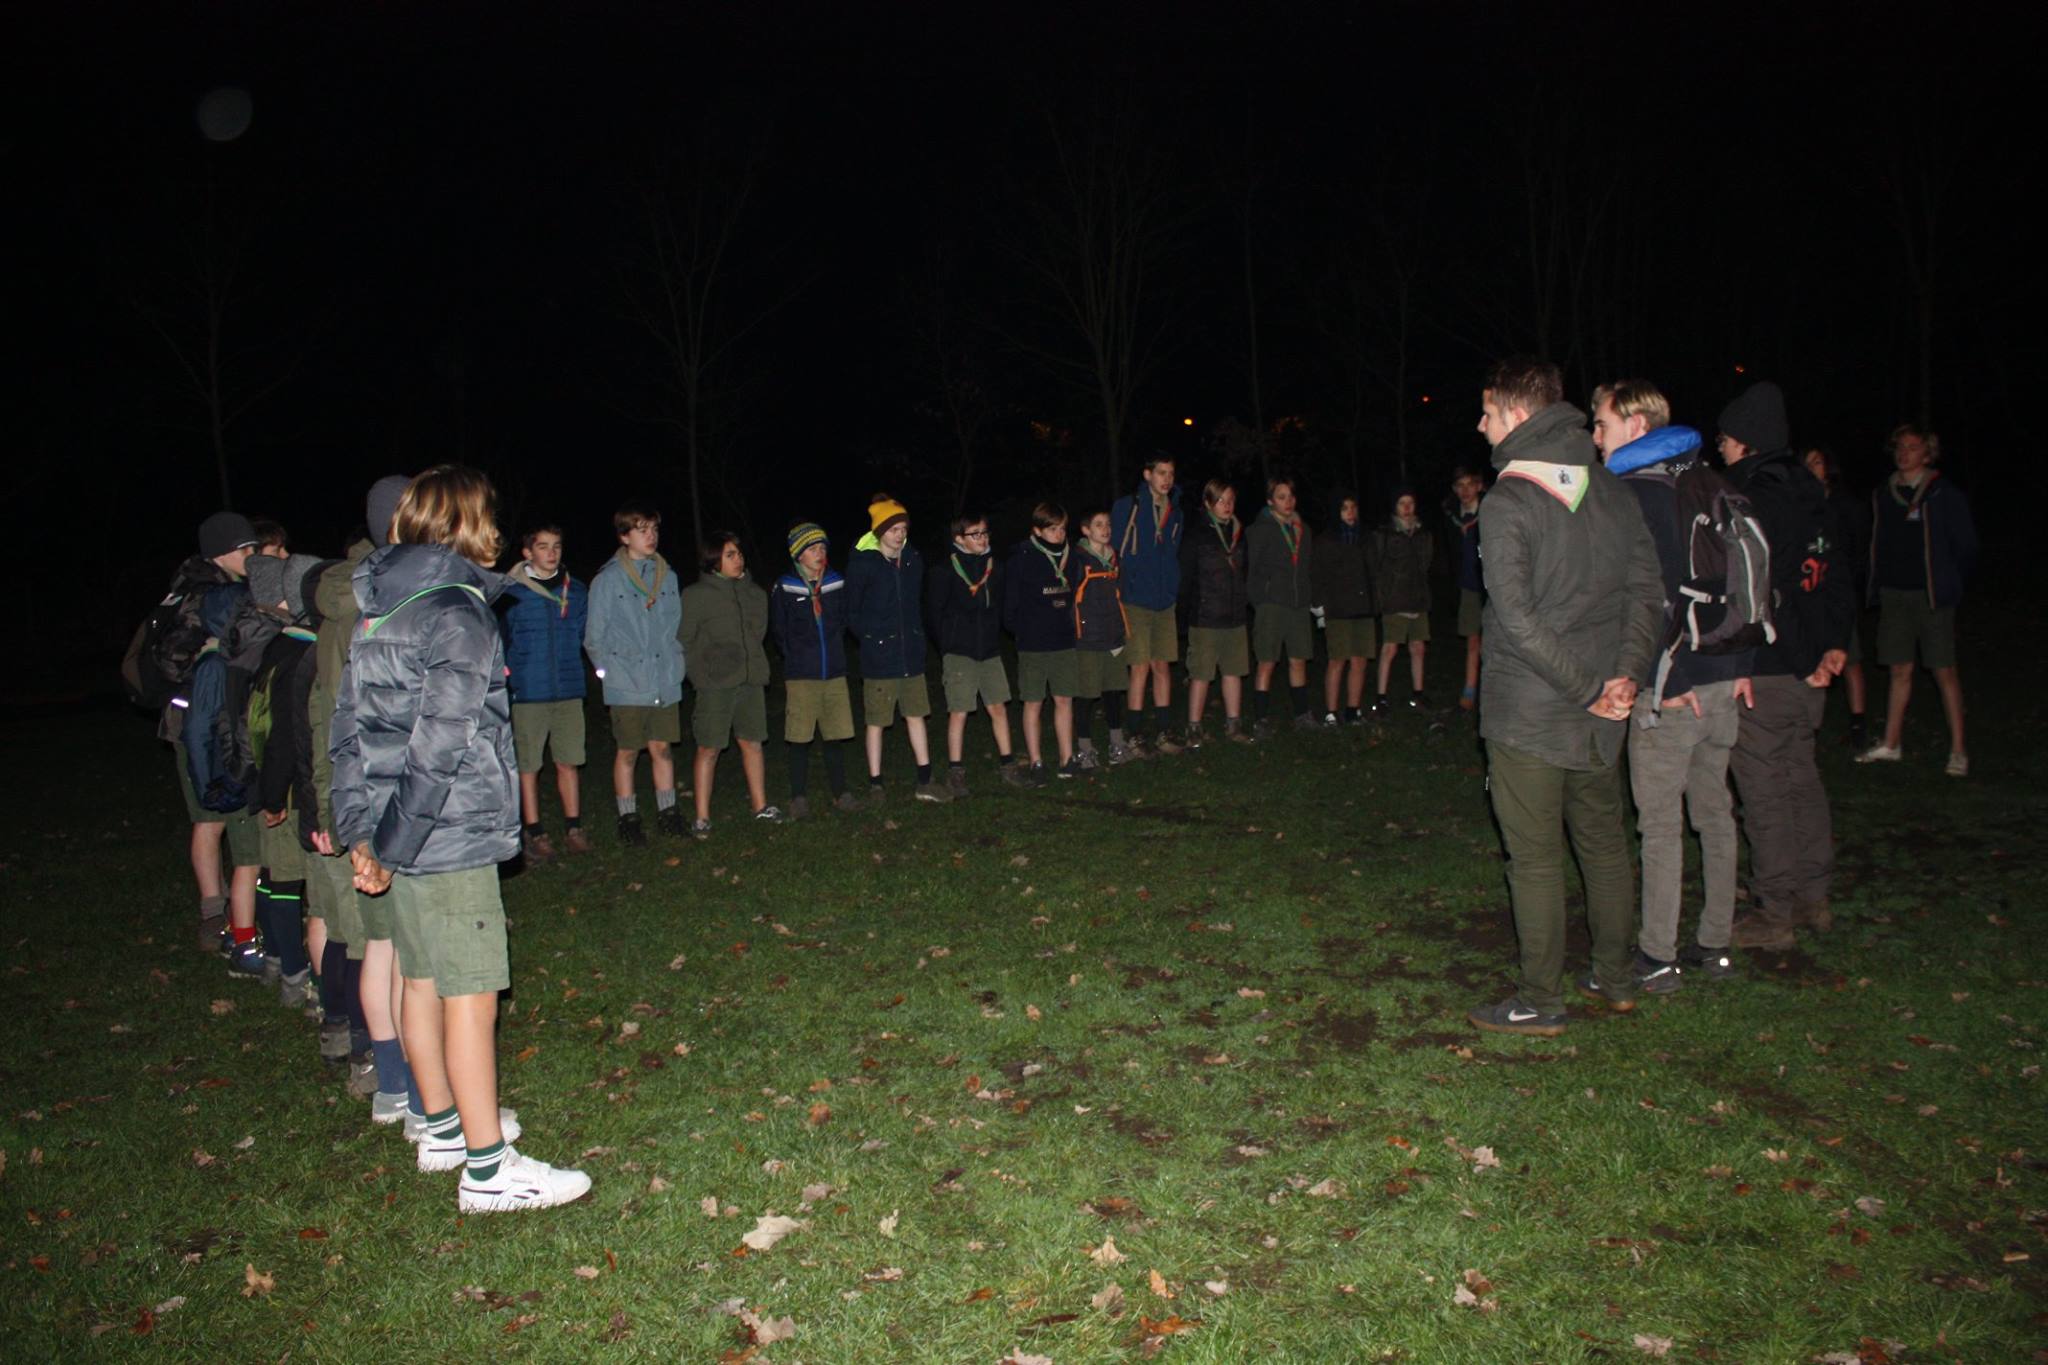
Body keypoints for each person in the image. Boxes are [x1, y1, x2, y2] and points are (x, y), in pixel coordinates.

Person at [330, 464, 589, 1212]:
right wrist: (396, 843)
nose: (500, 532)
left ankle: (440, 1122)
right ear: (461, 522)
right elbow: (439, 745)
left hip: (396, 832)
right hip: (442, 833)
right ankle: (488, 1166)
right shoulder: (456, 612)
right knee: (473, 992)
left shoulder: (383, 606)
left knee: (420, 977)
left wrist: (364, 838)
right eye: (489, 516)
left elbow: (348, 734)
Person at [1467, 358, 1664, 1037]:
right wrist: (1624, 677)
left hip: (1534, 712)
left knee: (1537, 855)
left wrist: (1591, 689)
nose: (1481, 424)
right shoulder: (1611, 490)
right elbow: (1647, 594)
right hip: (1603, 706)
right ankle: (1615, 978)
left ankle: (1540, 997)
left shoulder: (1508, 499)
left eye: (1488, 412)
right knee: (1605, 842)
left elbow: (1515, 617)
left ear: (1518, 417)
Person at [1591, 380, 1752, 993]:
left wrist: (1672, 673)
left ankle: (1657, 955)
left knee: (1659, 822)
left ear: (1636, 425)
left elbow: (1650, 597)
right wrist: (1739, 666)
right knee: (1715, 811)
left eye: (1601, 423)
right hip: (1725, 678)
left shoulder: (1639, 491)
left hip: (1674, 681)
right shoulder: (1708, 479)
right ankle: (1715, 943)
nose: (1595, 436)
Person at [1716, 381, 1854, 951]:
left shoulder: (1754, 495)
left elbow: (1763, 588)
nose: (1720, 450)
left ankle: (1775, 912)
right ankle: (1812, 895)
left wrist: (1804, 657)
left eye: (1724, 440)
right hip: (1811, 662)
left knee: (1766, 785)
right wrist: (1832, 646)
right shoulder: (1809, 488)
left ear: (1745, 442)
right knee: (1801, 775)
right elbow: (1836, 572)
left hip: (1772, 663)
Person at [309, 477, 409, 1093]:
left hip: (360, 792)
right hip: (386, 794)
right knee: (398, 952)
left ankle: (390, 1078)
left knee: (380, 944)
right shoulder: (378, 603)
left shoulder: (340, 606)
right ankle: (401, 1083)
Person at [156, 511, 264, 961]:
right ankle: (222, 917)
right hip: (202, 718)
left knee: (205, 819)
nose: (253, 556)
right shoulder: (214, 595)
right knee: (216, 816)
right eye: (247, 549)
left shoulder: (182, 588)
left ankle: (213, 913)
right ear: (224, 551)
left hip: (183, 716)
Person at [1855, 424, 1977, 776]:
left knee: (1944, 670)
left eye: (1912, 447)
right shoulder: (1884, 493)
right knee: (1899, 668)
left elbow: (1966, 547)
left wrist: (1949, 582)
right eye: (1900, 447)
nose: (1904, 452)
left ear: (1928, 453)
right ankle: (1892, 744)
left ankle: (1958, 750)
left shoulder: (1943, 494)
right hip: (1895, 594)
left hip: (1932, 595)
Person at [585, 500, 686, 845]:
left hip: (663, 678)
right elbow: (593, 638)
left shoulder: (668, 575)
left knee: (662, 748)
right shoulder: (607, 579)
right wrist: (608, 674)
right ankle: (628, 818)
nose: (651, 536)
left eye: (654, 529)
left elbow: (675, 628)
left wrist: (677, 663)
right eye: (642, 530)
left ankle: (668, 813)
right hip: (626, 681)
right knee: (628, 750)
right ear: (625, 536)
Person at [679, 531, 784, 834]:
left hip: (750, 679)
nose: (738, 559)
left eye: (738, 553)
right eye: (730, 555)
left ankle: (760, 806)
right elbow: (684, 640)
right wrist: (701, 675)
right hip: (715, 684)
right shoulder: (696, 595)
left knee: (752, 742)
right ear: (714, 561)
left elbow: (758, 634)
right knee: (709, 747)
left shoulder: (754, 594)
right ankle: (701, 816)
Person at [846, 495, 949, 804]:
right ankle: (876, 784)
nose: (900, 534)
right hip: (879, 655)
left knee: (917, 714)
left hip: (911, 654)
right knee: (877, 721)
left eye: (903, 528)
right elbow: (851, 611)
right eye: (894, 529)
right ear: (880, 531)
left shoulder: (912, 559)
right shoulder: (863, 563)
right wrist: (871, 638)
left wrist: (918, 635)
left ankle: (925, 780)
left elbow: (918, 603)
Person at [499, 525, 591, 864]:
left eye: (556, 546)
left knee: (568, 760)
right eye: (542, 547)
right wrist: (511, 674)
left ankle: (574, 827)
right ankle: (534, 830)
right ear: (527, 553)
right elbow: (501, 635)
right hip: (528, 690)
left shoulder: (576, 590)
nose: (551, 553)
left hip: (568, 688)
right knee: (529, 765)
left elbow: (581, 633)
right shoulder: (510, 591)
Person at [926, 511, 1023, 797]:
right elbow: (934, 614)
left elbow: (1002, 606)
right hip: (959, 651)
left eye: (984, 533)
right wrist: (948, 643)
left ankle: (1008, 766)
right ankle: (955, 772)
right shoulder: (944, 570)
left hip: (990, 650)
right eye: (975, 534)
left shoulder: (996, 567)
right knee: (959, 711)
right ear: (959, 539)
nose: (982, 539)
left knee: (998, 707)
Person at [771, 522, 859, 818]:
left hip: (833, 671)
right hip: (802, 675)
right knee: (800, 738)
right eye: (812, 549)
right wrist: (796, 657)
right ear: (798, 555)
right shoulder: (785, 586)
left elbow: (844, 621)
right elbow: (779, 630)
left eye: (822, 547)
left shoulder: (836, 582)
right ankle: (798, 796)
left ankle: (841, 792)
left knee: (834, 736)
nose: (819, 553)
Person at [1110, 455, 1187, 755]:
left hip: (1164, 600)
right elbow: (1117, 549)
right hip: (1135, 598)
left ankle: (1165, 731)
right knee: (1139, 667)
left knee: (1163, 666)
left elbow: (1172, 553)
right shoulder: (1128, 506)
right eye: (1161, 473)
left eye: (1171, 473)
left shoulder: (1176, 511)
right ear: (1147, 475)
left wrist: (1171, 586)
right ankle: (1135, 733)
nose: (1167, 479)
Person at [1004, 502, 1080, 781]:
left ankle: (1067, 758)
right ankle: (1036, 761)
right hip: (1033, 644)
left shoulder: (1072, 556)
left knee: (1063, 699)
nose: (1059, 535)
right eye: (1052, 529)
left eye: (1062, 529)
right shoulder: (1022, 558)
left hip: (1063, 640)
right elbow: (1009, 607)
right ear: (1037, 530)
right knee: (1033, 702)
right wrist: (1024, 632)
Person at [1179, 478, 1255, 747]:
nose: (1227, 505)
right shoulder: (1197, 534)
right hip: (1205, 616)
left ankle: (1234, 724)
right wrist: (1185, 616)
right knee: (1202, 673)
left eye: (1231, 500)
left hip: (1234, 616)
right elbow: (1186, 577)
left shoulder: (1238, 532)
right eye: (1221, 500)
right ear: (1208, 503)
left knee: (1233, 671)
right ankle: (1194, 727)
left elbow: (1245, 572)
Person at [1805, 447, 1872, 748]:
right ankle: (1811, 729)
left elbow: (1857, 548)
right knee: (1815, 659)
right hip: (1812, 594)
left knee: (1849, 656)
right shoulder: (1801, 504)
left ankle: (1859, 722)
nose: (1812, 468)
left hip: (1838, 592)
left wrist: (1849, 585)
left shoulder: (1844, 505)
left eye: (1817, 462)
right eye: (1807, 463)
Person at [1246, 474, 1317, 737]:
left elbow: (1307, 568)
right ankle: (1261, 719)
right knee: (1267, 661)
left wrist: (1311, 598)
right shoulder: (1260, 529)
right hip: (1271, 606)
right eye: (1281, 497)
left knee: (1298, 660)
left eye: (1290, 497)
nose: (1287, 502)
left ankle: (1302, 714)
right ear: (1270, 501)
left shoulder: (1303, 530)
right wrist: (1260, 600)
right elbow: (1252, 569)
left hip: (1298, 605)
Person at [1072, 508, 1134, 765]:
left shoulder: (1114, 557)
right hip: (1088, 638)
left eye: (1108, 524)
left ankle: (1117, 743)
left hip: (1113, 636)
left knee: (1113, 691)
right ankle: (1084, 748)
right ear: (1086, 530)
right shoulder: (1078, 559)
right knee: (1087, 694)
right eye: (1098, 525)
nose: (1105, 529)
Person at [1311, 492, 1375, 726]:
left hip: (1363, 608)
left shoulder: (1366, 538)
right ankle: (1331, 712)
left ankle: (1353, 710)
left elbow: (1373, 571)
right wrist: (1319, 607)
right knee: (1337, 659)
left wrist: (1374, 600)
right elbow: (1316, 575)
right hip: (1337, 609)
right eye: (1344, 508)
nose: (1350, 512)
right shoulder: (1326, 540)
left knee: (1359, 660)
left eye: (1353, 507)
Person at [1371, 490, 1434, 710]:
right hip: (1395, 599)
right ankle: (1381, 697)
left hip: (1418, 598)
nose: (1406, 507)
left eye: (1410, 503)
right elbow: (1377, 566)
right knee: (1390, 648)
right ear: (1394, 507)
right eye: (1401, 503)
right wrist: (1382, 597)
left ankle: (1418, 693)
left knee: (1418, 647)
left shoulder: (1423, 533)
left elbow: (1426, 564)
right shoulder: (1385, 534)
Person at [1446, 467, 1488, 712]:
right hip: (1468, 587)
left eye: (1469, 484)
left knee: (1495, 641)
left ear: (1479, 485)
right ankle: (1469, 690)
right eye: (1459, 485)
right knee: (1473, 640)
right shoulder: (1452, 517)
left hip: (1492, 587)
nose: (1465, 490)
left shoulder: (1491, 510)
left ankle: (1495, 690)